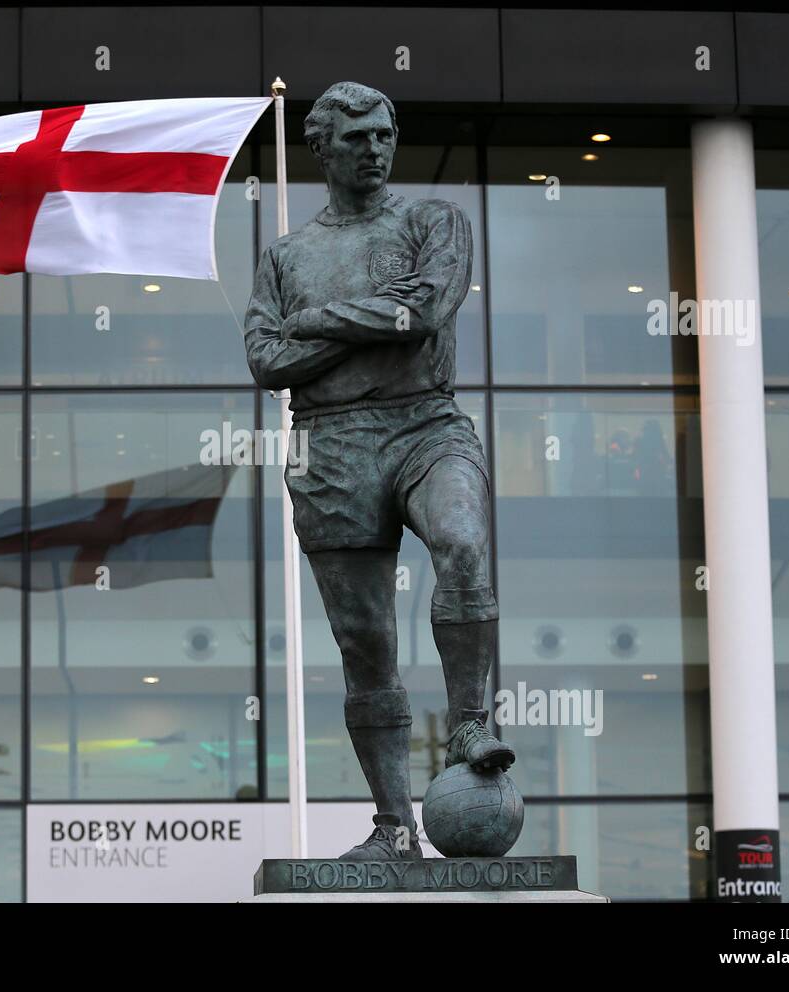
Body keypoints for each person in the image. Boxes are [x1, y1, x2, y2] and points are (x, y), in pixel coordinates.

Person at [244, 82, 511, 861]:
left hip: (426, 423)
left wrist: (320, 322)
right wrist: (372, 322)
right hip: (331, 445)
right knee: (364, 644)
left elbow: (424, 311)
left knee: (461, 538)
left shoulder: (434, 221)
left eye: (384, 133)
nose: (374, 148)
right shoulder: (286, 256)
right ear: (321, 147)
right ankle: (393, 826)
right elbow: (267, 359)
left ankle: (470, 720)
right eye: (356, 136)